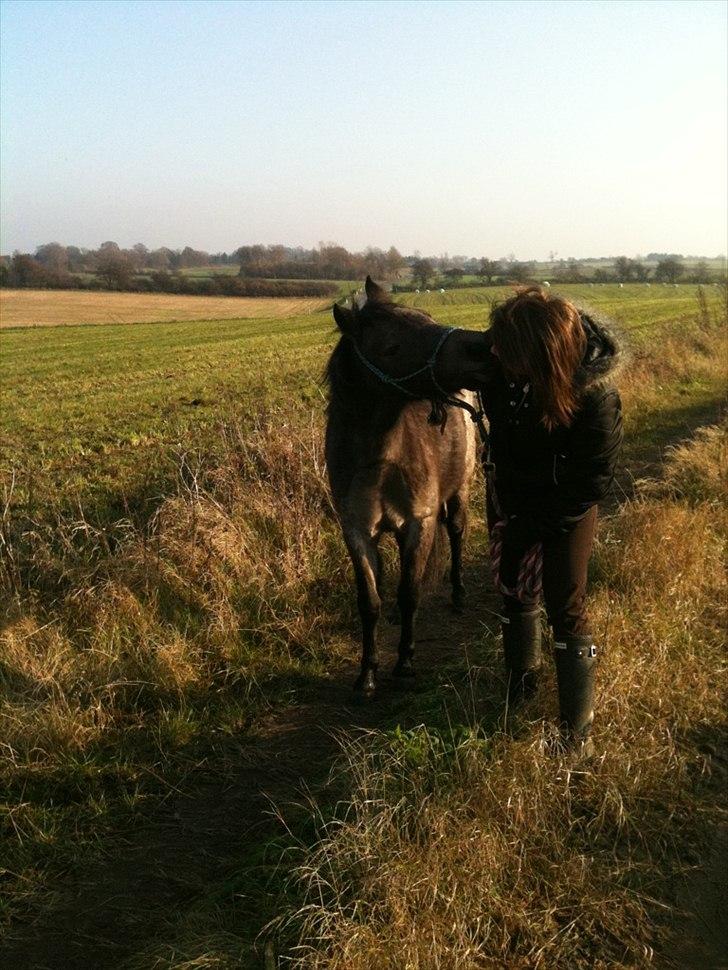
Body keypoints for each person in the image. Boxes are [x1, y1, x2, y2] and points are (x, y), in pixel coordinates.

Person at [480, 286, 623, 757]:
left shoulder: (596, 396)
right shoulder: (503, 366)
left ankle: (574, 735)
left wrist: (530, 530)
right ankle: (520, 687)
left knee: (565, 604)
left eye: (506, 346)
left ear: (539, 355)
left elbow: (589, 483)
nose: (495, 351)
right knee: (511, 586)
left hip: (567, 509)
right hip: (510, 494)